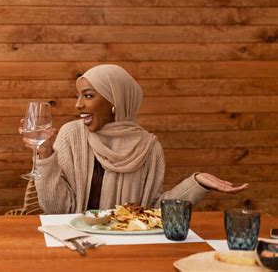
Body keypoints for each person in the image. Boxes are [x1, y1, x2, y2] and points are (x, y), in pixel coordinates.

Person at [21, 64, 247, 214]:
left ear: (114, 101)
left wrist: (197, 183)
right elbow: (57, 210)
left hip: (126, 244)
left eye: (88, 95)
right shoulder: (72, 135)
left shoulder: (149, 147)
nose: (78, 104)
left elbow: (152, 211)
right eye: (78, 96)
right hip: (76, 241)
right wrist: (46, 155)